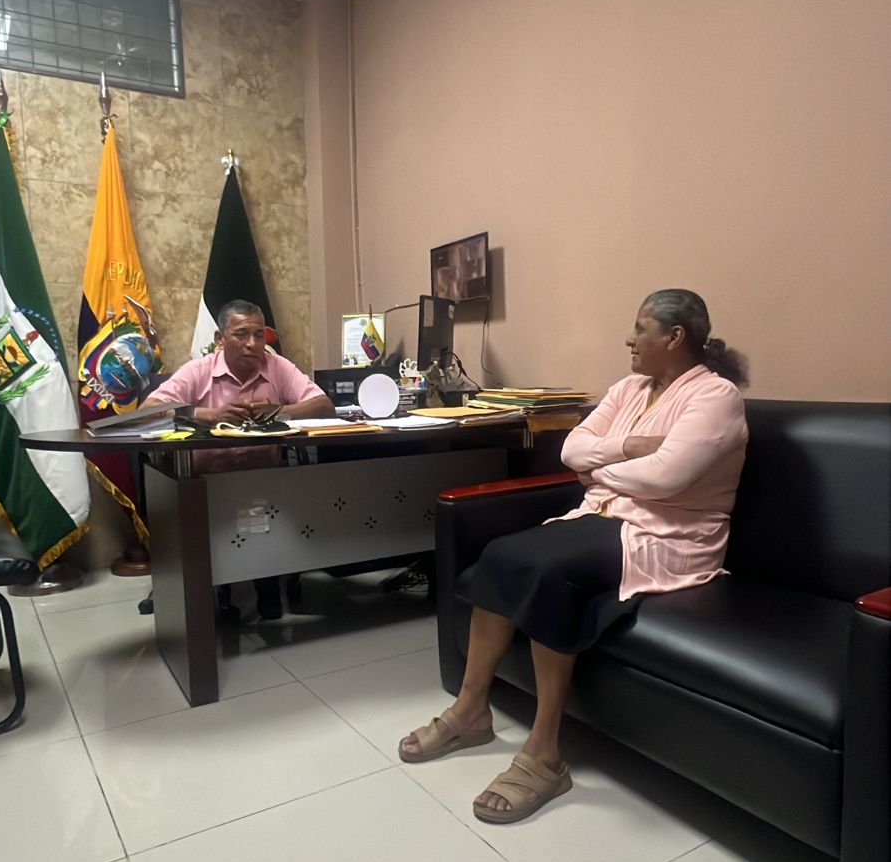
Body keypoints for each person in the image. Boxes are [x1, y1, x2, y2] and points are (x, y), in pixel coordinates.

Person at [400, 288, 749, 823]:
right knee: (501, 554)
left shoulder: (716, 398)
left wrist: (600, 469)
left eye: (641, 328)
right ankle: (470, 710)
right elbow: (570, 450)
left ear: (675, 337)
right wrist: (630, 449)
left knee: (550, 571)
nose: (630, 339)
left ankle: (545, 753)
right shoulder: (629, 389)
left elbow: (666, 479)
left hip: (666, 534)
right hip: (601, 517)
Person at [147, 300, 334, 620]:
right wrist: (205, 415)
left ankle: (265, 583)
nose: (252, 343)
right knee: (220, 530)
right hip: (205, 483)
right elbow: (149, 410)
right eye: (241, 334)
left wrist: (280, 411)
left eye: (259, 335)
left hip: (263, 482)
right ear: (220, 339)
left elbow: (324, 405)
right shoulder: (200, 370)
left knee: (258, 514)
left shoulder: (277, 366)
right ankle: (217, 589)